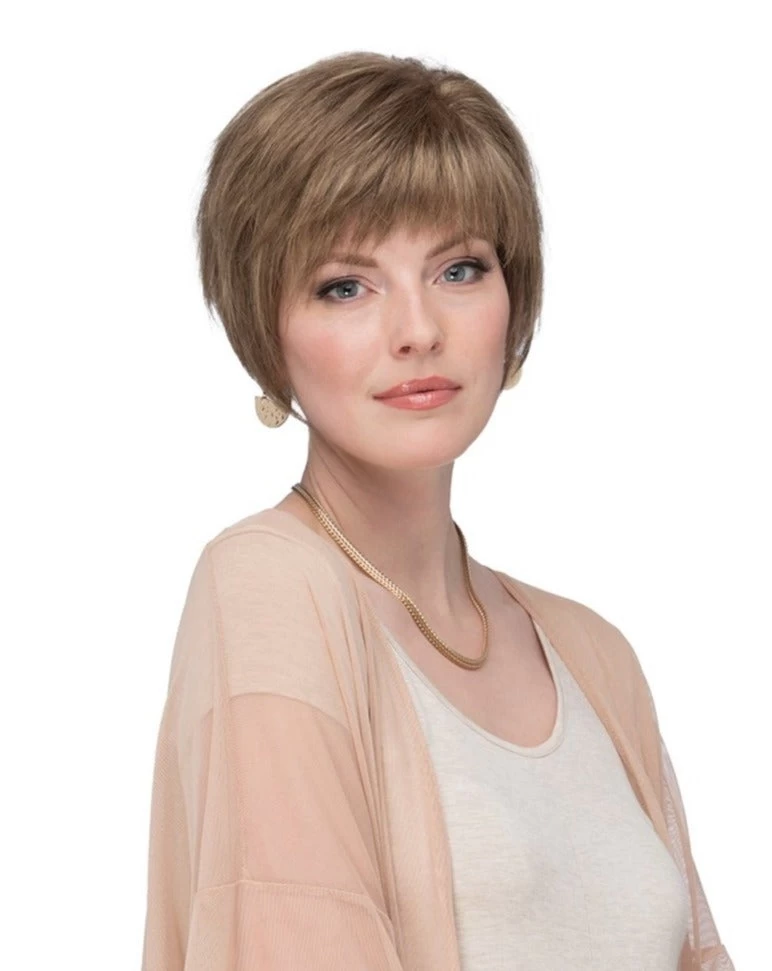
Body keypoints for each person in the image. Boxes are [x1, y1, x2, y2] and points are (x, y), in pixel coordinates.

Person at [140, 52, 734, 970]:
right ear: (266, 331)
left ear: (513, 298)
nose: (418, 330)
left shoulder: (596, 655)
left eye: (459, 269)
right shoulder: (268, 584)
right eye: (345, 285)